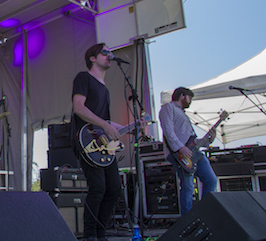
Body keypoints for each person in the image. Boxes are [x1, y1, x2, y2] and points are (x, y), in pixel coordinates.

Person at [70, 43, 145, 241]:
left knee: (114, 188)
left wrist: (131, 126)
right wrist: (105, 124)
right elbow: (78, 108)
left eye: (110, 52)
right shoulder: (83, 78)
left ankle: (101, 233)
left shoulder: (105, 89)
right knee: (98, 187)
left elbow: (106, 122)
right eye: (105, 52)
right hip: (87, 141)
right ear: (93, 58)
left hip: (103, 143)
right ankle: (90, 235)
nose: (109, 55)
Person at [159, 87, 218, 216]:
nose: (190, 101)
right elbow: (168, 131)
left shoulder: (183, 114)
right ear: (182, 96)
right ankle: (187, 221)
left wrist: (208, 140)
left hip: (192, 153)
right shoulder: (168, 108)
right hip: (178, 153)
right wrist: (180, 148)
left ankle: (205, 214)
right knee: (188, 186)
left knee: (211, 180)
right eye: (190, 97)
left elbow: (193, 141)